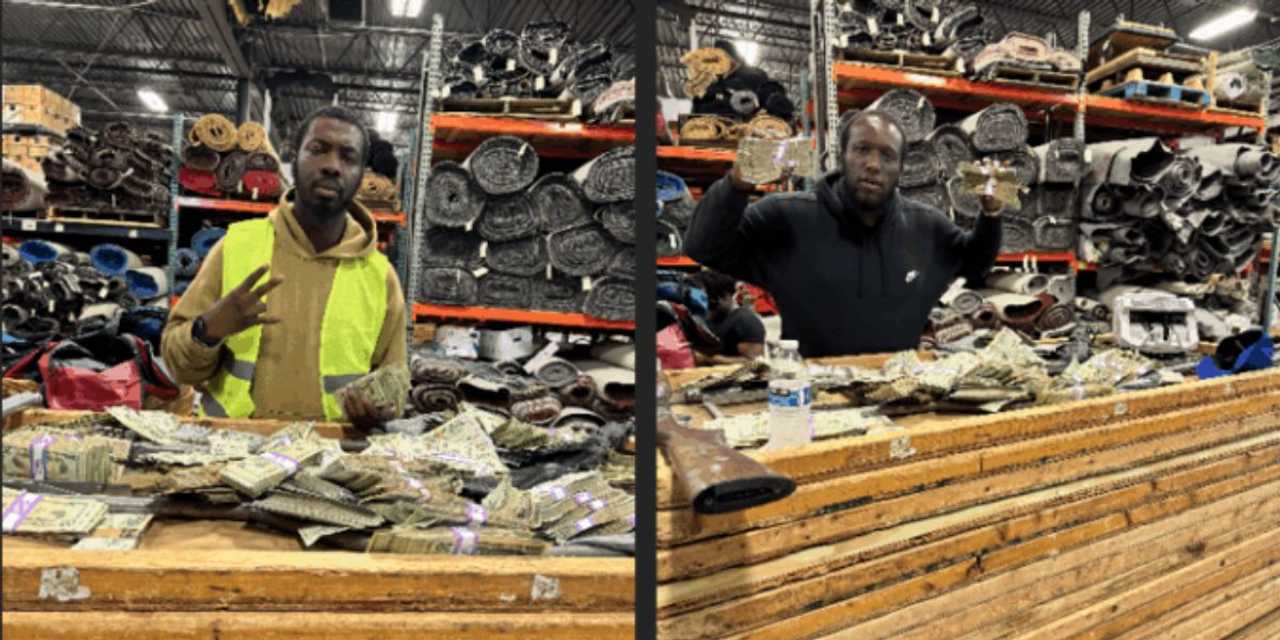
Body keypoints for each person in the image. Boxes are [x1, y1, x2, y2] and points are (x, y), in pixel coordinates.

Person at [684, 110, 1004, 357]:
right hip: (815, 401)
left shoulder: (927, 226)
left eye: (887, 156)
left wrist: (992, 213)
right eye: (862, 149)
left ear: (901, 168)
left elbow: (976, 263)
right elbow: (704, 247)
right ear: (843, 155)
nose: (873, 164)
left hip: (900, 396)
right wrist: (736, 184)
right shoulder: (787, 216)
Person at [162, 106, 407, 428]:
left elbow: (394, 385)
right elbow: (178, 367)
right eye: (318, 149)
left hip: (332, 452)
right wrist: (207, 331)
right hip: (235, 446)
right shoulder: (237, 247)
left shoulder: (379, 276)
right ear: (294, 159)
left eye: (348, 157)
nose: (332, 165)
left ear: (361, 174)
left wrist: (378, 410)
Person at [692, 270, 765, 365]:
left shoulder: (745, 321)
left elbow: (755, 362)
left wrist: (709, 359)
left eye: (711, 299)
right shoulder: (703, 318)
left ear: (728, 294)